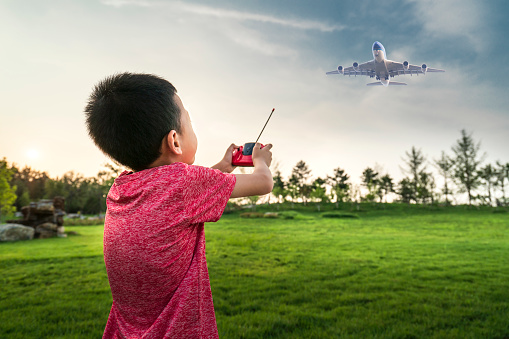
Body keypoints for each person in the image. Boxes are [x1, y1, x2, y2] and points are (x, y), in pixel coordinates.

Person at [84, 72, 273, 338]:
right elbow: (263, 183)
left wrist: (224, 167)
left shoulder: (121, 188)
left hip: (127, 331)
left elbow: (177, 194)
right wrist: (260, 160)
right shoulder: (184, 182)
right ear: (174, 140)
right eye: (189, 121)